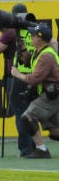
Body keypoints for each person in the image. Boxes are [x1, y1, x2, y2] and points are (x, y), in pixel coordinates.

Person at [11, 22, 59, 159]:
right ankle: (42, 148)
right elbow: (28, 63)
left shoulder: (46, 56)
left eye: (33, 35)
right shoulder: (40, 52)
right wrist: (24, 49)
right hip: (49, 94)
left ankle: (42, 149)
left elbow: (34, 79)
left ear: (40, 38)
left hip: (52, 95)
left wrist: (17, 74)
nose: (31, 37)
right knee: (54, 131)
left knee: (27, 117)